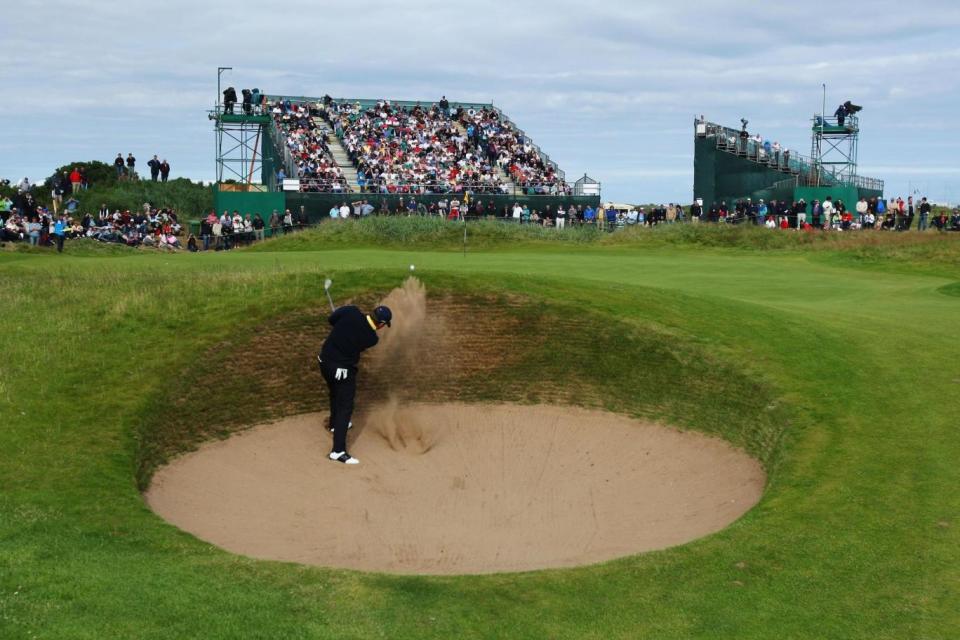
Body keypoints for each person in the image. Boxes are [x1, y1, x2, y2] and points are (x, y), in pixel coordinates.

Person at [317, 304, 393, 465]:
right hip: (342, 371)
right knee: (345, 407)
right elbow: (355, 333)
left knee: (334, 393)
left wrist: (341, 316)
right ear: (381, 324)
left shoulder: (350, 311)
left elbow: (332, 320)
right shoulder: (372, 339)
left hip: (324, 363)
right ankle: (338, 452)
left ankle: (333, 424)